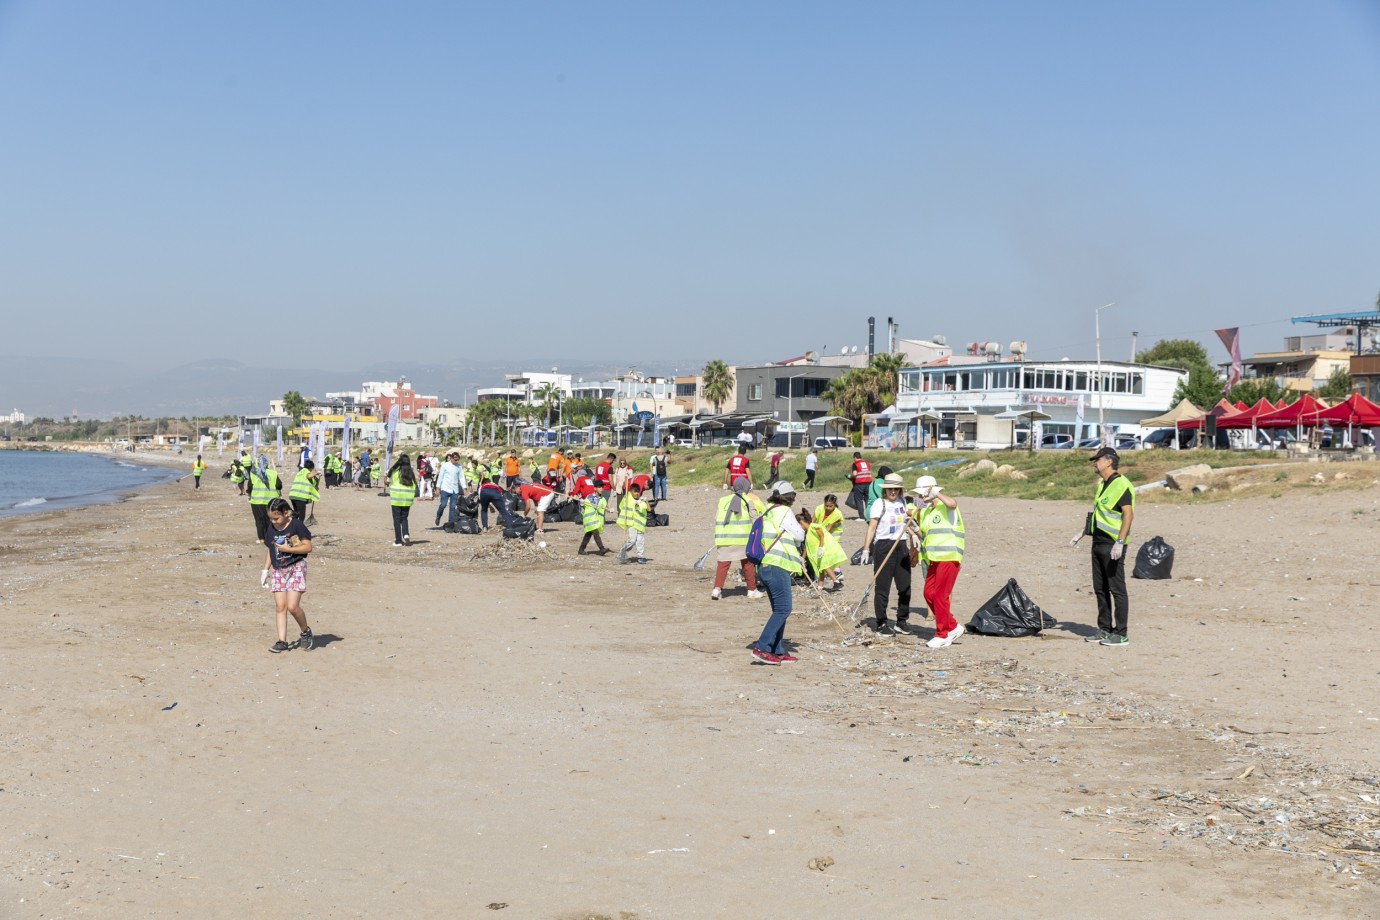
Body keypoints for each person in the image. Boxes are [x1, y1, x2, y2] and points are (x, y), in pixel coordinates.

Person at [1072, 446, 1135, 646]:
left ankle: (1121, 633)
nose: (1095, 463)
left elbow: (1128, 514)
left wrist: (1119, 541)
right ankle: (1104, 629)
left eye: (1097, 460)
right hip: (1097, 542)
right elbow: (1099, 513)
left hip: (1112, 543)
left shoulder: (1122, 484)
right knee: (1100, 588)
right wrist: (1083, 532)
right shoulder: (1102, 484)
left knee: (1117, 588)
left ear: (1108, 461)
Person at [750, 481, 807, 665]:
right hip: (777, 566)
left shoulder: (766, 511)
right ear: (788, 497)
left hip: (765, 567)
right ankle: (762, 647)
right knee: (784, 609)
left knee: (779, 609)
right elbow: (800, 535)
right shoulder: (783, 511)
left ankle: (777, 650)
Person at [912, 475, 966, 648]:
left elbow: (953, 504)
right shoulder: (927, 511)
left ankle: (942, 634)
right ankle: (952, 626)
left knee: (940, 595)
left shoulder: (946, 506)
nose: (920, 498)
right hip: (933, 559)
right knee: (928, 593)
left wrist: (936, 493)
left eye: (922, 494)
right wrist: (914, 529)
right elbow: (925, 535)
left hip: (949, 557)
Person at [860, 472, 915, 635]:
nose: (893, 492)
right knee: (883, 587)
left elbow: (906, 523)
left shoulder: (903, 502)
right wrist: (866, 549)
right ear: (885, 489)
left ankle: (901, 620)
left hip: (901, 546)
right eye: (890, 489)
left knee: (905, 586)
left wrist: (912, 535)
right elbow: (872, 528)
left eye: (896, 489)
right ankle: (881, 623)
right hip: (883, 547)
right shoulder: (879, 504)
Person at [261, 497, 314, 653]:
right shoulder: (271, 528)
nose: (274, 522)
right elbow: (270, 550)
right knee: (280, 607)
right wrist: (265, 570)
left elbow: (308, 547)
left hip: (296, 567)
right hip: (278, 570)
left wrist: (287, 550)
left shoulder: (296, 525)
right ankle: (282, 641)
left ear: (286, 513)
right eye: (270, 519)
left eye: (276, 518)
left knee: (292, 607)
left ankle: (305, 631)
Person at [711, 476, 765, 600]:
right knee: (748, 564)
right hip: (742, 539)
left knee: (723, 565)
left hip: (723, 538)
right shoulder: (747, 500)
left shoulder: (723, 500)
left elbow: (716, 517)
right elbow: (755, 519)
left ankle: (716, 589)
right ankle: (751, 590)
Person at [812, 494, 846, 585]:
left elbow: (828, 529)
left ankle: (837, 571)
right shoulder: (819, 508)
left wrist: (820, 537)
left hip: (834, 533)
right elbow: (813, 521)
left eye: (830, 506)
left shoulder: (837, 514)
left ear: (835, 504)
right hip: (821, 531)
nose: (828, 508)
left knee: (829, 551)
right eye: (826, 506)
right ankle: (831, 570)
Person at [247, 459, 282, 542]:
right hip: (271, 501)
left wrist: (249, 494)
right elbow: (279, 485)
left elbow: (250, 488)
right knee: (270, 519)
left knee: (259, 520)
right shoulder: (273, 473)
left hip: (256, 501)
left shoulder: (253, 474)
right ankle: (270, 537)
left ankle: (261, 538)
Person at [387, 454, 418, 546]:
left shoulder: (395, 472)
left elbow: (389, 483)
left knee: (396, 520)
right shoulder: (410, 473)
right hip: (407, 499)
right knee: (404, 518)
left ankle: (398, 540)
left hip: (396, 499)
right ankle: (405, 534)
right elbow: (414, 485)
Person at [616, 481, 649, 565]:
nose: (637, 494)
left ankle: (640, 556)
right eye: (635, 492)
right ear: (631, 492)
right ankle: (622, 551)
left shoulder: (641, 501)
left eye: (638, 492)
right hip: (632, 524)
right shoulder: (628, 499)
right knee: (632, 540)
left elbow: (649, 509)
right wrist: (627, 491)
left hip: (640, 525)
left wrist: (646, 501)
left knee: (640, 541)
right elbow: (622, 505)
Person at [436, 452, 465, 528]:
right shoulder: (445, 465)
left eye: (457, 460)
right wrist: (438, 488)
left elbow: (461, 477)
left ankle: (450, 524)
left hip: (454, 490)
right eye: (455, 460)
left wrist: (464, 487)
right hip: (445, 488)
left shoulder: (459, 467)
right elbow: (440, 477)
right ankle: (438, 516)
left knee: (452, 507)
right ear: (451, 458)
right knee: (443, 505)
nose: (456, 461)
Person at [578, 491, 609, 555]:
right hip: (589, 519)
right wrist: (582, 504)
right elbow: (584, 508)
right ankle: (601, 548)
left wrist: (609, 510)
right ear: (595, 488)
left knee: (588, 534)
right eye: (599, 487)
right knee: (595, 532)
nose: (601, 489)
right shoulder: (589, 497)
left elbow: (605, 507)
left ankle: (581, 549)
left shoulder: (602, 499)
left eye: (602, 487)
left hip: (596, 520)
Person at [847, 452, 873, 520]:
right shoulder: (867, 463)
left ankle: (861, 517)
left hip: (859, 484)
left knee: (859, 500)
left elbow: (855, 474)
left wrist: (850, 476)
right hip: (869, 483)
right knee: (867, 499)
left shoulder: (855, 464)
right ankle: (869, 515)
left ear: (855, 457)